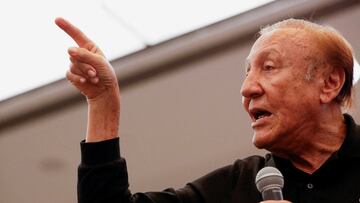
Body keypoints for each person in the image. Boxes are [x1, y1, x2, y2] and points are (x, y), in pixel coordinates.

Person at [55, 17, 360, 203]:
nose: (247, 89)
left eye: (269, 67)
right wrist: (103, 102)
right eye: (247, 73)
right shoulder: (238, 186)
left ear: (329, 83)